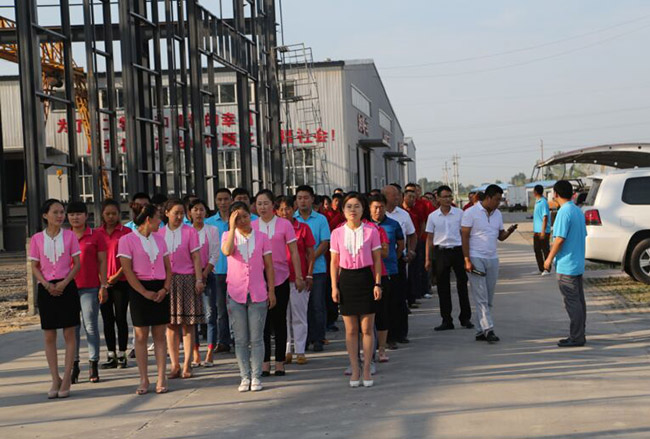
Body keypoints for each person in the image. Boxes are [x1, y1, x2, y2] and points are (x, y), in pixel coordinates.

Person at [29, 199, 82, 399]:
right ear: (45, 215)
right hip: (46, 289)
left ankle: (67, 377)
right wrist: (45, 284)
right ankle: (55, 378)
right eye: (56, 212)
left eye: (62, 212)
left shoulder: (70, 236)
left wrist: (65, 282)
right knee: (49, 335)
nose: (60, 216)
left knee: (69, 333)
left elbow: (77, 263)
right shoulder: (36, 239)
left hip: (67, 287)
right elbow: (34, 266)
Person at [118, 204, 172, 395]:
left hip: (160, 288)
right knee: (141, 335)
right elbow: (127, 270)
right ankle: (143, 378)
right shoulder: (127, 240)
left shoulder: (160, 239)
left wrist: (165, 289)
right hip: (139, 289)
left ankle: (161, 377)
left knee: (159, 335)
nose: (160, 221)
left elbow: (168, 268)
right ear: (148, 219)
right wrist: (143, 292)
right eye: (158, 217)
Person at [222, 202, 276, 392]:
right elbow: (227, 251)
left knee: (257, 338)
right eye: (238, 218)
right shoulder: (227, 236)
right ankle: (244, 376)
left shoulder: (261, 237)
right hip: (235, 292)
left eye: (245, 216)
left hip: (258, 292)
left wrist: (271, 290)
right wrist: (231, 228)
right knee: (241, 339)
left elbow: (269, 266)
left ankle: (256, 376)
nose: (242, 221)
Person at [330, 193, 383, 387]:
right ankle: (354, 369)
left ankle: (367, 368)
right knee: (351, 330)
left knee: (367, 329)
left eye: (357, 206)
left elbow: (377, 260)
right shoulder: (337, 233)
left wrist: (378, 284)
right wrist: (334, 286)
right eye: (349, 206)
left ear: (363, 209)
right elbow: (334, 262)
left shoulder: (371, 231)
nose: (353, 210)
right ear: (343, 210)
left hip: (366, 279)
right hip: (346, 280)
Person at [253, 189, 304, 376]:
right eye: (259, 204)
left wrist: (299, 276)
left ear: (273, 205)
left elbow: (294, 251)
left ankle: (280, 361)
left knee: (279, 319)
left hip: (281, 276)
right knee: (263, 322)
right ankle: (265, 361)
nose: (262, 207)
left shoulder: (284, 224)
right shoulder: (252, 225)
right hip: (259, 278)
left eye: (266, 203)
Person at [461, 184, 517, 344]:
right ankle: (488, 329)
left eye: (500, 200)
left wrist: (509, 231)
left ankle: (480, 330)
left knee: (489, 297)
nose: (499, 203)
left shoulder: (497, 214)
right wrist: (467, 259)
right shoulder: (470, 213)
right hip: (475, 257)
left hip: (492, 258)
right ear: (488, 197)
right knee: (481, 296)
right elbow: (464, 237)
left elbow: (500, 236)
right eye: (497, 200)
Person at [158, 199, 205, 379]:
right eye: (175, 213)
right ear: (167, 213)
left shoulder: (190, 231)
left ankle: (187, 364)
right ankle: (174, 364)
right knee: (170, 325)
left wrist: (198, 279)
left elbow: (196, 257)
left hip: (187, 279)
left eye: (181, 213)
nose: (179, 217)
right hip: (167, 281)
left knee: (188, 324)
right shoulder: (160, 233)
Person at [67, 201, 108, 384]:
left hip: (90, 287)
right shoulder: (65, 236)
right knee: (72, 328)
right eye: (71, 214)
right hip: (69, 288)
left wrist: (103, 285)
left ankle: (93, 363)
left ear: (86, 216)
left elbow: (102, 262)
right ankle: (74, 365)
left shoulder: (96, 235)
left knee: (90, 326)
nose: (75, 217)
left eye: (79, 214)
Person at [544, 180, 588, 347]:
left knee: (572, 303)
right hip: (577, 263)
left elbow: (559, 239)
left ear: (555, 194)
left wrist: (549, 259)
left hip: (566, 265)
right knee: (579, 302)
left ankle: (576, 337)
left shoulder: (564, 212)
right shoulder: (577, 211)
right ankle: (579, 333)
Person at [424, 185, 473, 331]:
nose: (447, 199)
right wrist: (427, 258)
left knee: (462, 285)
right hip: (441, 252)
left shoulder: (460, 214)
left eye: (449, 196)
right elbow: (429, 238)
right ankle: (446, 320)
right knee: (443, 287)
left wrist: (467, 256)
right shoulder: (432, 216)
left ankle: (465, 318)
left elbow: (465, 235)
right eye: (444, 197)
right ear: (438, 198)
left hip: (457, 251)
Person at [277, 196, 315, 365]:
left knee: (299, 315)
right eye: (281, 209)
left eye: (288, 208)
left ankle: (300, 350)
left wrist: (309, 275)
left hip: (298, 278)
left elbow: (310, 253)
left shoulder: (303, 228)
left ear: (294, 209)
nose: (284, 212)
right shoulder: (274, 229)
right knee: (282, 317)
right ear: (276, 211)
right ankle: (286, 350)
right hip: (279, 278)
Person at [96, 199, 132, 370]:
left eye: (114, 213)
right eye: (107, 214)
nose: (110, 217)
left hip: (121, 281)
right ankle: (111, 355)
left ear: (119, 214)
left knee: (121, 318)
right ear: (102, 215)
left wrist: (117, 275)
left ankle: (122, 353)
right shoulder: (97, 233)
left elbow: (130, 257)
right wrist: (102, 279)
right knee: (107, 319)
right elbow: (94, 259)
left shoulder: (126, 233)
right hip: (103, 283)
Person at [294, 185, 331, 352]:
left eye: (306, 197)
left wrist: (311, 258)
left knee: (317, 305)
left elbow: (325, 242)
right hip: (297, 271)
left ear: (312, 199)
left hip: (317, 269)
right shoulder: (292, 219)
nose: (303, 201)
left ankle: (318, 338)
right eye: (299, 198)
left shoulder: (321, 219)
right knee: (301, 307)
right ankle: (304, 338)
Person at [368, 193, 404, 361]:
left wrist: (393, 258)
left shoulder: (393, 224)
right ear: (369, 209)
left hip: (389, 271)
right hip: (368, 273)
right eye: (375, 207)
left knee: (389, 307)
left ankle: (390, 339)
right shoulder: (365, 226)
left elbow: (400, 244)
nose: (378, 210)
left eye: (381, 207)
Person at [188, 199, 220, 366]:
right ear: (190, 213)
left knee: (210, 314)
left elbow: (215, 254)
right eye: (195, 209)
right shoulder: (186, 231)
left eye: (201, 209)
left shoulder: (212, 230)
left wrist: (204, 274)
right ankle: (195, 352)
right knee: (193, 316)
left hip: (208, 275)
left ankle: (209, 351)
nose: (198, 213)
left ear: (206, 212)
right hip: (190, 276)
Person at [382, 184, 416, 344]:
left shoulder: (403, 215)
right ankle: (386, 335)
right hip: (379, 262)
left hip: (398, 260)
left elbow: (412, 235)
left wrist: (411, 251)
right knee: (384, 300)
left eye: (398, 195)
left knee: (399, 297)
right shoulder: (376, 214)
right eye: (394, 195)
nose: (397, 198)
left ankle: (400, 333)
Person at [205, 188, 234, 354]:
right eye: (220, 199)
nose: (223, 203)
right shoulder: (209, 223)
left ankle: (239, 338)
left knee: (238, 308)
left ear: (231, 200)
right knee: (220, 309)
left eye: (226, 199)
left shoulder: (240, 219)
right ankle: (223, 341)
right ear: (215, 202)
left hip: (236, 271)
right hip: (217, 271)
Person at [533, 185, 552, 276]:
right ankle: (541, 268)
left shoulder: (543, 202)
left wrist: (543, 231)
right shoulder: (537, 202)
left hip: (543, 231)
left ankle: (547, 269)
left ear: (536, 192)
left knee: (545, 250)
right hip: (536, 231)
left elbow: (545, 217)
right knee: (537, 250)